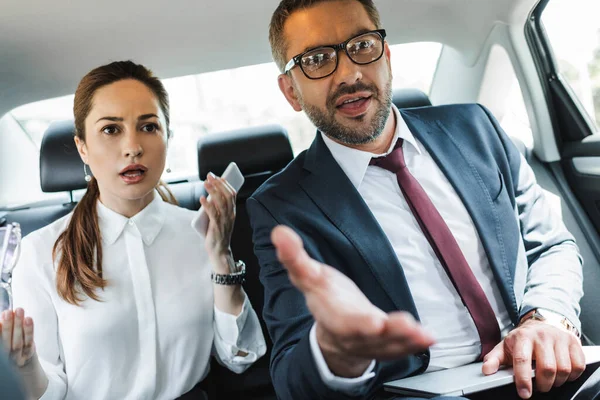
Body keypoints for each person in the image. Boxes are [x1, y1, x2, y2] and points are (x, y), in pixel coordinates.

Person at [247, 0, 588, 399]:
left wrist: (544, 318)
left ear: (386, 56)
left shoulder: (476, 127)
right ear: (290, 90)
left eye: (362, 46)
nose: (350, 73)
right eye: (318, 59)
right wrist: (336, 351)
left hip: (550, 372)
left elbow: (550, 243)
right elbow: (292, 374)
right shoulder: (281, 206)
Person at [0, 61, 266, 400]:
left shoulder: (200, 232)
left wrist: (221, 257)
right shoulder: (40, 253)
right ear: (82, 147)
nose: (132, 147)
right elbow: (50, 390)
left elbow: (240, 357)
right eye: (111, 130)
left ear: (168, 137)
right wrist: (24, 367)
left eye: (149, 127)